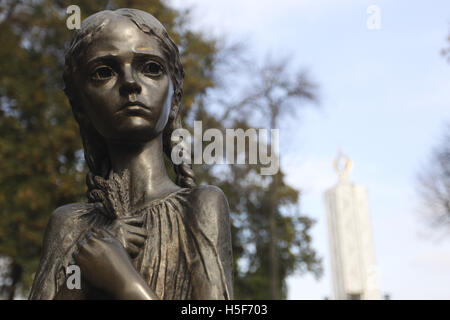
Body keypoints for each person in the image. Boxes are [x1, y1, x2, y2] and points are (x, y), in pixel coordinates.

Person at [29, 8, 233, 300]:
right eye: (104, 72)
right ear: (80, 107)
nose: (130, 83)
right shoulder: (69, 224)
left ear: (175, 99)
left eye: (151, 68)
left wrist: (126, 284)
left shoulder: (199, 207)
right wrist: (82, 276)